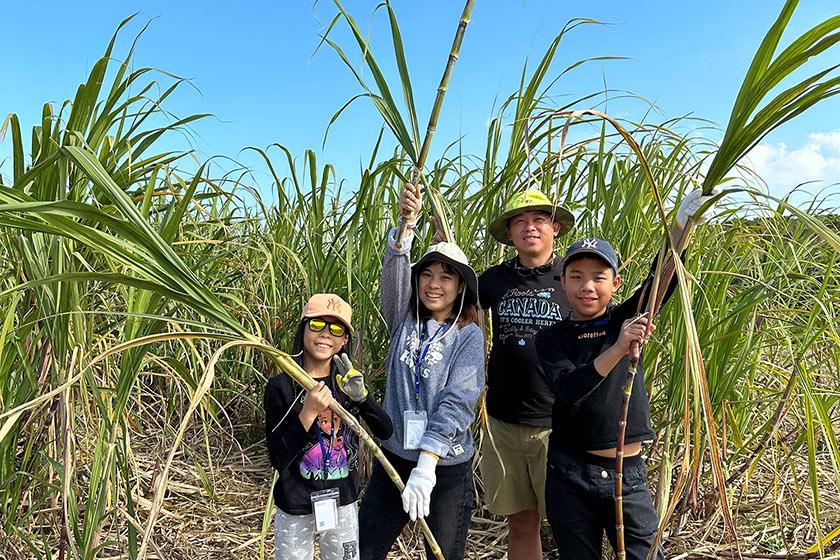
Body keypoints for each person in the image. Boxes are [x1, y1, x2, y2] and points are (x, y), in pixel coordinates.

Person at [535, 189, 718, 559]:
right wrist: (618, 348)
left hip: (626, 471)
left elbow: (659, 282)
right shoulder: (550, 338)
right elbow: (570, 390)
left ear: (614, 284)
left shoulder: (625, 317)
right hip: (568, 471)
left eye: (599, 277)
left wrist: (682, 226)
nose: (587, 286)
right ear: (563, 282)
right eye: (576, 276)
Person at [358, 183, 485, 560]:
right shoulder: (404, 319)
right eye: (426, 274)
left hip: (445, 469)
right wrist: (406, 225)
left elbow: (459, 402)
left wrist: (428, 464)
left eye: (446, 277)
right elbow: (394, 271)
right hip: (393, 456)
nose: (434, 284)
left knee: (443, 555)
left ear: (460, 285)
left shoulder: (468, 335)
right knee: (365, 548)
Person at [477, 189, 575, 560]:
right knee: (520, 523)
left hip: (558, 426)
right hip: (503, 425)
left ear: (554, 228)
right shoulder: (493, 281)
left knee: (570, 526)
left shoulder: (572, 277)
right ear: (510, 234)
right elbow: (449, 304)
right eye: (519, 221)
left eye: (538, 219)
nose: (529, 227)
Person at [264, 294, 393, 560]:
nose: (325, 335)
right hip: (295, 505)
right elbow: (278, 458)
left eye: (336, 329)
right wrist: (308, 412)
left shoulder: (347, 382)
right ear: (303, 329)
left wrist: (362, 398)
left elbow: (386, 431)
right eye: (316, 325)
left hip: (342, 503)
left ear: (344, 340)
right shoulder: (282, 386)